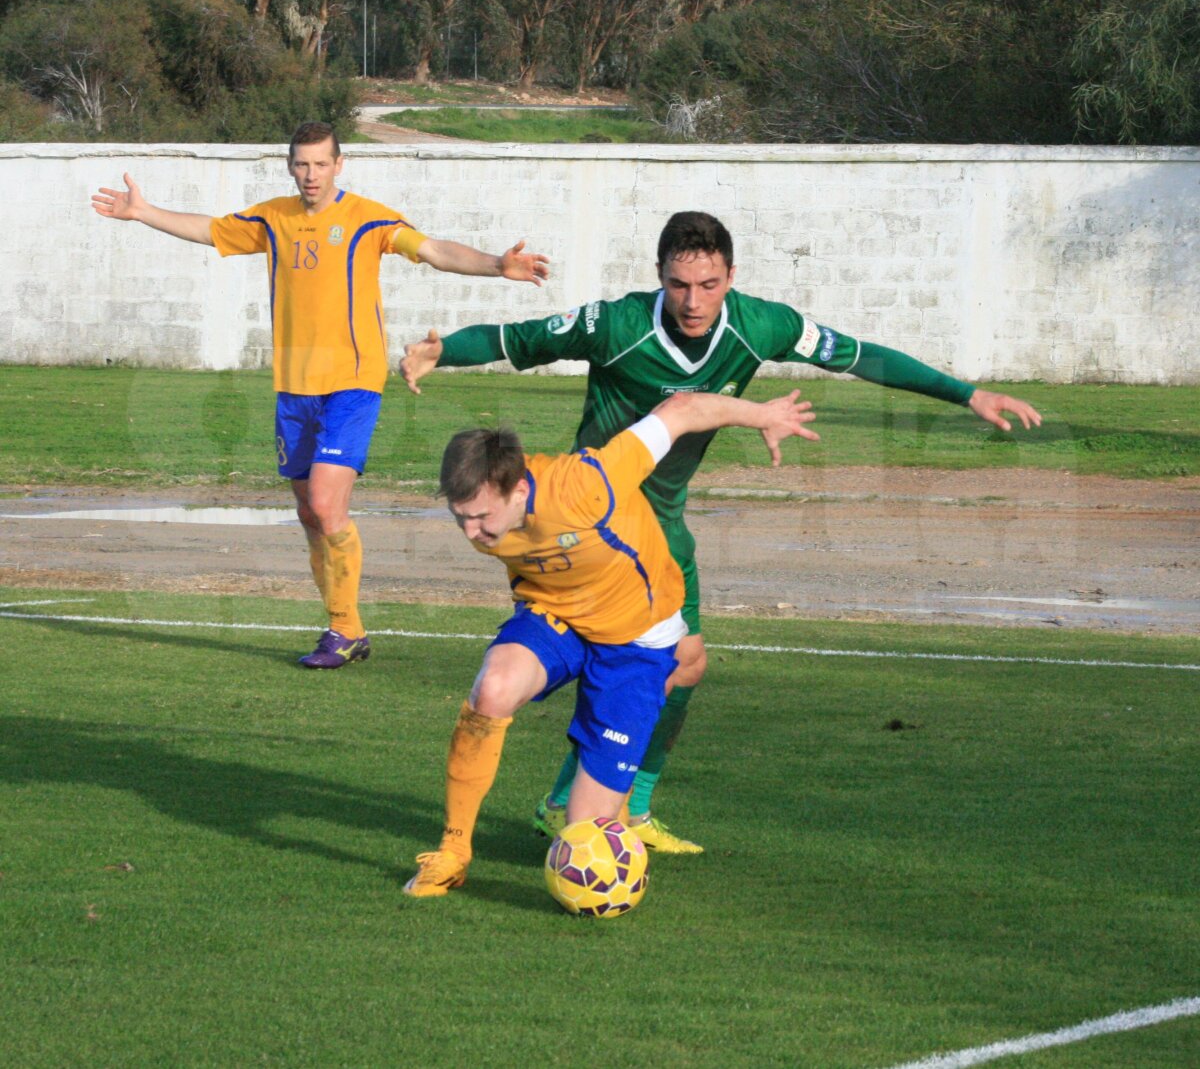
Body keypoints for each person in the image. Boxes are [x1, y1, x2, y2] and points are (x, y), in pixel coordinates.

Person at [401, 210, 1042, 852]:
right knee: (630, 663)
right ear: (659, 277)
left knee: (686, 667)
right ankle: (575, 805)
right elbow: (520, 340)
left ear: (731, 276)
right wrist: (443, 351)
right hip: (591, 531)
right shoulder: (618, 325)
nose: (693, 300)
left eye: (708, 284)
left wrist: (968, 395)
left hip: (665, 531)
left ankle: (617, 806)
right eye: (679, 284)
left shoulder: (763, 325)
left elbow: (858, 355)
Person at [91, 121, 549, 669]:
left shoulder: (367, 219)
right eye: (302, 164)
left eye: (321, 164)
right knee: (311, 515)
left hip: (352, 386)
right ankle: (346, 628)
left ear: (340, 165)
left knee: (329, 506)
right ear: (290, 166)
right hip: (293, 392)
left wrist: (496, 266)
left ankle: (342, 629)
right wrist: (143, 211)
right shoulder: (272, 218)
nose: (311, 174)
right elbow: (211, 229)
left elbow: (431, 250)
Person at [403, 388, 819, 897]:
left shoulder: (584, 483)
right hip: (554, 613)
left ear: (518, 490)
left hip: (636, 638)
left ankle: (594, 817)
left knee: (585, 837)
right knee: (493, 688)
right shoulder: (487, 514)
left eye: (482, 517)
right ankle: (453, 851)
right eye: (459, 516)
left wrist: (766, 415)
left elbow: (681, 410)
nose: (471, 532)